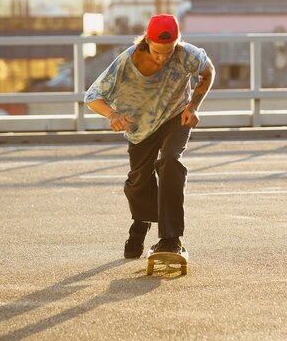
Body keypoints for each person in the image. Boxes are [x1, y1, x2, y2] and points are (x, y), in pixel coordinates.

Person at [84, 14, 215, 258]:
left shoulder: (188, 55)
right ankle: (140, 225)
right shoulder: (127, 61)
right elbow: (92, 97)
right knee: (138, 181)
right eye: (157, 52)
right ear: (147, 41)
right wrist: (112, 115)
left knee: (170, 163)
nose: (163, 58)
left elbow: (208, 73)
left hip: (175, 117)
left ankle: (170, 239)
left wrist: (194, 106)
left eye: (169, 52)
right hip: (139, 127)